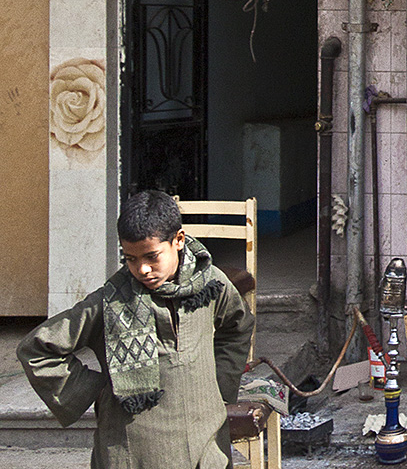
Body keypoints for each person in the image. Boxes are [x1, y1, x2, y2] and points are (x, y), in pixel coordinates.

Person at [18, 190, 254, 469]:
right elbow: (37, 350)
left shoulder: (211, 284)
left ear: (178, 240)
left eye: (152, 257)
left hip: (205, 438)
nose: (142, 269)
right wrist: (99, 389)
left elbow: (238, 326)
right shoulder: (110, 301)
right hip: (133, 446)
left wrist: (217, 384)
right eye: (130, 259)